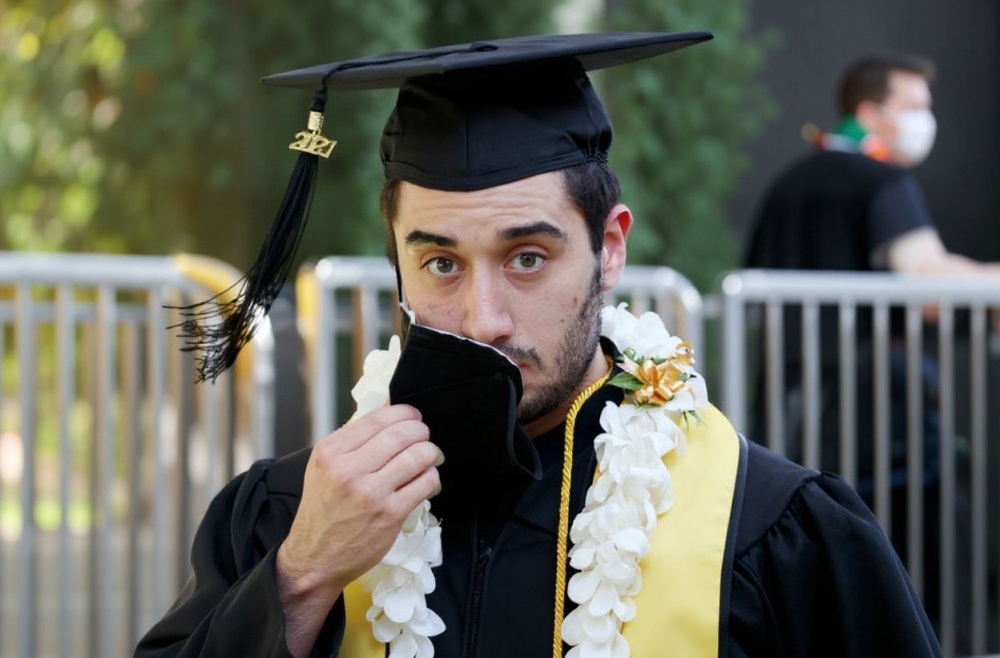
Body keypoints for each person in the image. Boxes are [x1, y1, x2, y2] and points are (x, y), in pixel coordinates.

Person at [136, 34, 943, 658]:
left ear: (611, 248)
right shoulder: (286, 516)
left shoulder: (769, 527)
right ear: (396, 259)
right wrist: (300, 578)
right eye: (440, 263)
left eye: (528, 257)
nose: (484, 318)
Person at [744, 52, 1000, 635]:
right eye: (913, 106)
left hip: (791, 424)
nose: (925, 119)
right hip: (886, 433)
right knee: (919, 591)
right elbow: (928, 281)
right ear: (870, 112)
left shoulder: (791, 181)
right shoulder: (883, 181)